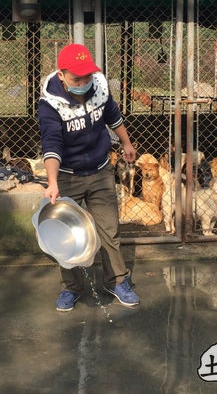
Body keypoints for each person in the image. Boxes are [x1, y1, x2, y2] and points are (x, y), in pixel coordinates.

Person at [38, 43, 140, 311]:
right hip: (68, 175)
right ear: (62, 75)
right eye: (76, 79)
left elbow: (113, 117)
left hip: (100, 169)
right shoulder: (50, 104)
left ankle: (117, 281)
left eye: (87, 76)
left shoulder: (100, 87)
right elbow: (51, 144)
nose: (83, 83)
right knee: (66, 234)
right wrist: (53, 182)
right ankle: (71, 288)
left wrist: (126, 143)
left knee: (109, 229)